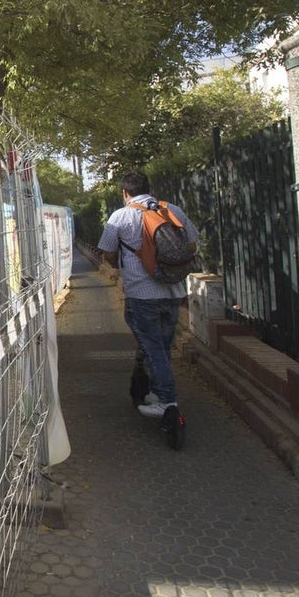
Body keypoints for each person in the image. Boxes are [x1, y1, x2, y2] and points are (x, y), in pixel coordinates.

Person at [96, 170, 199, 418]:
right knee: (162, 347)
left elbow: (107, 252)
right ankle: (155, 391)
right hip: (173, 291)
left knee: (152, 348)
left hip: (141, 294)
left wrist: (124, 263)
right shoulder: (171, 210)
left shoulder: (120, 216)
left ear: (125, 193)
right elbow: (192, 243)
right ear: (149, 189)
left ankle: (167, 401)